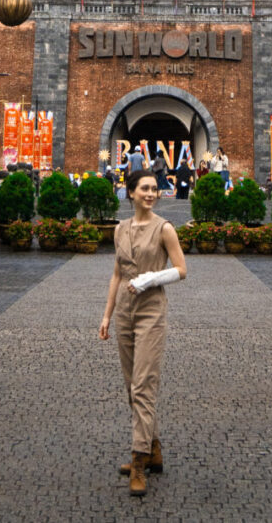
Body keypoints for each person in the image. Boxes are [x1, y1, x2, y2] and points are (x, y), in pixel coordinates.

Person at [98, 169, 187, 497]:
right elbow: (116, 275)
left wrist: (150, 279)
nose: (151, 193)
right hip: (124, 311)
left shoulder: (164, 229)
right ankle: (154, 449)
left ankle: (139, 462)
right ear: (131, 192)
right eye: (145, 188)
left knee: (143, 385)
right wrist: (106, 315)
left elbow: (181, 270)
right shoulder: (120, 229)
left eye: (155, 188)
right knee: (131, 387)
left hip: (151, 310)